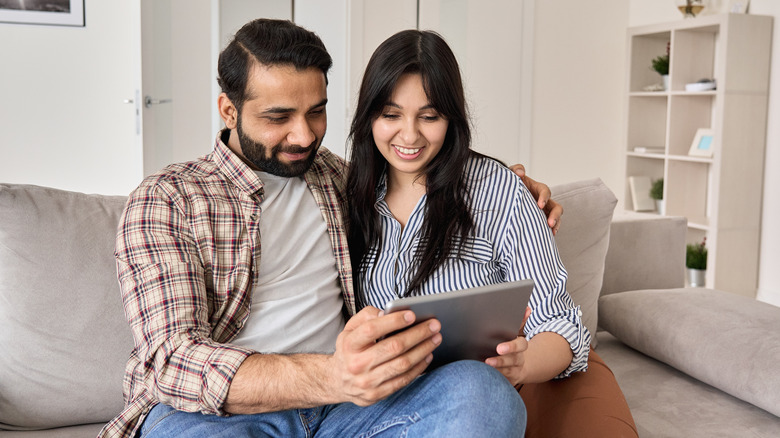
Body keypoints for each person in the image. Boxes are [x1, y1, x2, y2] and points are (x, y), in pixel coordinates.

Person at [99, 18, 562, 438]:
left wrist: (516, 186)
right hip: (219, 418)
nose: (303, 136)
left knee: (481, 393)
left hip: (348, 411)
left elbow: (421, 172)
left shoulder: (340, 179)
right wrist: (334, 375)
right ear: (229, 109)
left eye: (315, 112)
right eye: (278, 117)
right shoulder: (167, 199)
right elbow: (172, 361)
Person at [345, 29, 636, 438]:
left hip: (483, 394)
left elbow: (558, 320)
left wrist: (524, 362)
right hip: (386, 406)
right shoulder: (343, 195)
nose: (409, 135)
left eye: (429, 117)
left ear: (451, 117)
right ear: (369, 115)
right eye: (391, 115)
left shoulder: (497, 192)